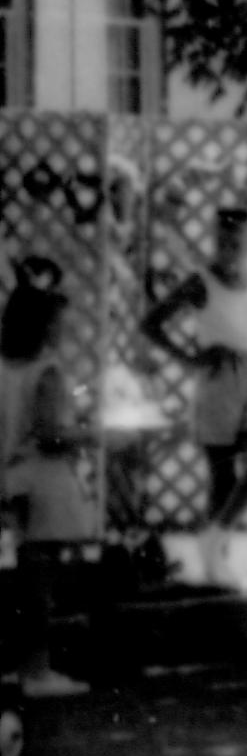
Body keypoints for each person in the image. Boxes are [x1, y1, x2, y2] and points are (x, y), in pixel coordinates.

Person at [142, 203, 247, 589]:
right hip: (218, 381)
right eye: (222, 238)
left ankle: (212, 538)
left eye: (237, 238)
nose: (229, 245)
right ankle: (214, 560)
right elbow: (150, 323)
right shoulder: (200, 280)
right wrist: (189, 357)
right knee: (222, 475)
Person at [1, 276, 103, 698]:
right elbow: (49, 433)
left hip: (13, 474)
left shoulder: (5, 369)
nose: (65, 332)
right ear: (44, 328)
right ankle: (37, 670)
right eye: (60, 325)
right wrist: (94, 435)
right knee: (39, 585)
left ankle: (25, 665)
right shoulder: (48, 372)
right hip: (43, 479)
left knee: (25, 579)